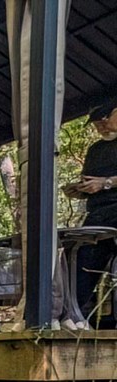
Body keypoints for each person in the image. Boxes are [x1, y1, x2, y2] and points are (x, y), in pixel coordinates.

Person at [64, 96, 117, 327]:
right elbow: (91, 180)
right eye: (97, 124)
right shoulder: (95, 149)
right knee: (80, 257)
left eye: (105, 120)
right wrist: (81, 189)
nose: (101, 127)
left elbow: (104, 182)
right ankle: (73, 316)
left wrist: (106, 183)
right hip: (98, 214)